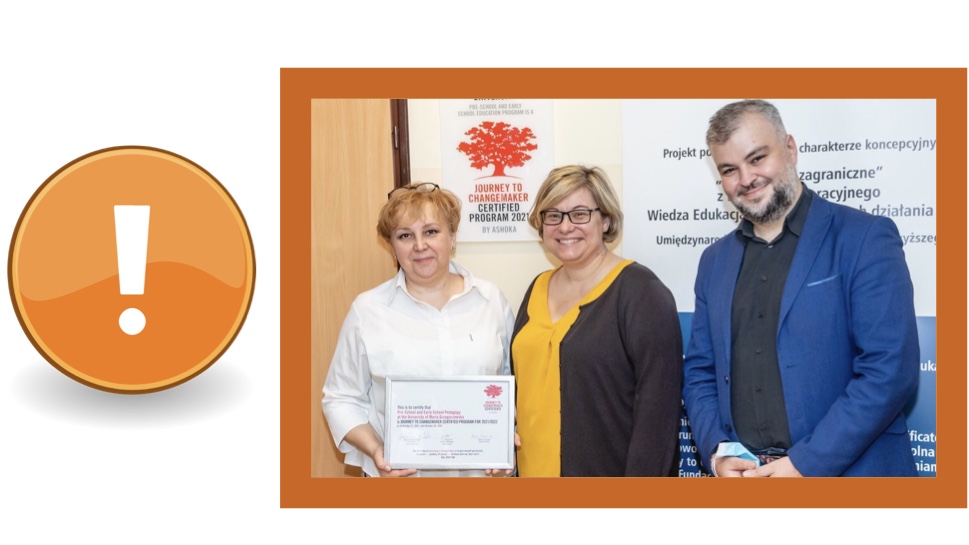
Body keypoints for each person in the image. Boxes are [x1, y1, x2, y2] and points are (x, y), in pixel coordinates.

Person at [682, 100, 920, 477]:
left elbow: (889, 371)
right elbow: (700, 371)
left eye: (757, 158)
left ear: (790, 149)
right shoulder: (714, 261)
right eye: (729, 170)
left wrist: (805, 464)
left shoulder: (864, 238)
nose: (746, 178)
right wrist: (717, 452)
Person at [322, 182, 515, 477]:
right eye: (405, 235)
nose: (420, 246)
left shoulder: (491, 301)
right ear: (392, 246)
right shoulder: (367, 310)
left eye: (431, 231)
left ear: (452, 236)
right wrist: (376, 450)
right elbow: (340, 398)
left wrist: (505, 438)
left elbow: (512, 387)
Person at [511, 165, 683, 477]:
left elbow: (658, 420)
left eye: (579, 214)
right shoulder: (537, 287)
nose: (565, 227)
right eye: (553, 215)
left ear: (605, 219)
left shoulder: (641, 292)